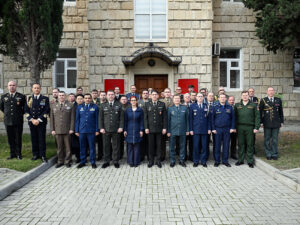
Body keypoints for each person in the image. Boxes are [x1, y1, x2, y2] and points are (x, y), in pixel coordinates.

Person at [0, 81, 25, 160]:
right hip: (8, 120)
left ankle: (18, 154)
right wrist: (8, 114)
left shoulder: (21, 96)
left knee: (18, 138)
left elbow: (24, 108)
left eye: (13, 85)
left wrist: (18, 114)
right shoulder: (4, 97)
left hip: (18, 120)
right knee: (10, 138)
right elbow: (2, 107)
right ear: (7, 87)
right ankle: (12, 153)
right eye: (10, 85)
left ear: (16, 86)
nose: (12, 87)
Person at [25, 83, 49, 162]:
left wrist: (38, 120)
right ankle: (35, 154)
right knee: (34, 138)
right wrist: (32, 120)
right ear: (32, 89)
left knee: (41, 139)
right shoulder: (29, 99)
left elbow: (46, 110)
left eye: (38, 88)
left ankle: (43, 155)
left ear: (40, 89)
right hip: (32, 122)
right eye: (35, 88)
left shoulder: (44, 98)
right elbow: (26, 110)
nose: (36, 89)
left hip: (41, 122)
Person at [235, 91, 260, 168]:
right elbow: (234, 117)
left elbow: (257, 117)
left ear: (249, 96)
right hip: (240, 127)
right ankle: (240, 160)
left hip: (250, 127)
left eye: (246, 95)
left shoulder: (253, 105)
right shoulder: (237, 105)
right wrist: (234, 127)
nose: (245, 97)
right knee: (241, 144)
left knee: (250, 144)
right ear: (241, 96)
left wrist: (256, 127)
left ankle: (250, 161)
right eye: (243, 95)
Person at [99, 90, 124, 168]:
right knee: (106, 146)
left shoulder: (119, 105)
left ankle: (115, 161)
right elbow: (100, 118)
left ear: (114, 95)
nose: (110, 96)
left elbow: (121, 118)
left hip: (116, 129)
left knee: (116, 146)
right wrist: (101, 128)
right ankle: (106, 161)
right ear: (106, 96)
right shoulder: (103, 105)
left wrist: (121, 127)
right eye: (109, 94)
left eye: (112, 94)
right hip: (105, 129)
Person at [50, 91, 75, 168]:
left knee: (68, 147)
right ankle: (60, 161)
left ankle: (68, 161)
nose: (61, 97)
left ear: (65, 96)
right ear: (57, 96)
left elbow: (72, 118)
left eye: (63, 95)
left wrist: (71, 129)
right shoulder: (53, 105)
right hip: (57, 130)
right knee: (59, 147)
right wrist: (52, 129)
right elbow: (52, 119)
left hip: (67, 129)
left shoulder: (70, 105)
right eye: (60, 95)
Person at [75, 93, 99, 169]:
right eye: (86, 98)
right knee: (82, 147)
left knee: (92, 147)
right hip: (82, 131)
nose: (87, 99)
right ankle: (83, 161)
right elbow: (77, 120)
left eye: (89, 98)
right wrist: (76, 130)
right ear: (83, 99)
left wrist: (97, 130)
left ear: (91, 99)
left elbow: (97, 120)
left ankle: (93, 162)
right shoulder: (79, 107)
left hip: (91, 131)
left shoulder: (95, 107)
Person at [259, 86, 284, 160]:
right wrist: (261, 122)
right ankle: (268, 153)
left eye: (272, 90)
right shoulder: (263, 100)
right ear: (267, 92)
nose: (271, 92)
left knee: (275, 139)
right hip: (266, 123)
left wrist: (281, 121)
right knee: (267, 139)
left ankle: (274, 153)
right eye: (269, 90)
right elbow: (260, 112)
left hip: (276, 123)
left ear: (274, 92)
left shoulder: (278, 100)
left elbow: (280, 112)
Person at [144, 90, 167, 168]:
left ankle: (158, 160)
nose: (154, 96)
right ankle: (151, 160)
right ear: (150, 96)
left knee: (159, 145)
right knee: (150, 145)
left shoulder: (162, 104)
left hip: (159, 129)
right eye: (153, 94)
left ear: (158, 96)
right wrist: (146, 127)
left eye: (155, 94)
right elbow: (145, 118)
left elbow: (164, 117)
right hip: (150, 129)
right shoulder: (147, 104)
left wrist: (164, 128)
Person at [212, 94, 235, 167]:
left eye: (224, 97)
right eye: (221, 97)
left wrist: (232, 128)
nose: (222, 99)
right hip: (217, 129)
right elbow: (212, 119)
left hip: (227, 129)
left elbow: (233, 119)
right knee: (217, 145)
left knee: (226, 145)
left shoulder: (230, 107)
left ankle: (225, 160)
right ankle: (217, 161)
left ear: (226, 99)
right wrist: (213, 129)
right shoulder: (214, 107)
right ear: (218, 98)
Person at [189, 93, 211, 167]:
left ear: (203, 97)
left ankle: (203, 161)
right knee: (196, 146)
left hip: (204, 130)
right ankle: (196, 161)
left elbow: (209, 119)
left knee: (204, 146)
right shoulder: (192, 106)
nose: (200, 98)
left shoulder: (206, 106)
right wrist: (191, 129)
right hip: (195, 130)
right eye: (198, 96)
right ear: (196, 97)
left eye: (201, 96)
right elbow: (191, 119)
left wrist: (209, 129)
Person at [167, 94, 189, 167]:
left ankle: (182, 160)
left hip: (182, 130)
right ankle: (172, 160)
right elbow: (168, 121)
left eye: (178, 98)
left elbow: (187, 120)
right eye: (175, 98)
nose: (177, 100)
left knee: (182, 146)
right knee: (172, 146)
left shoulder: (184, 108)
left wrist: (187, 130)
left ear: (180, 100)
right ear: (173, 100)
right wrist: (168, 131)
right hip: (173, 131)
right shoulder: (170, 109)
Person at [124, 96, 144, 167]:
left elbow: (142, 121)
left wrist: (141, 130)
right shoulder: (127, 110)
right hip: (129, 129)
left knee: (137, 146)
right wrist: (125, 130)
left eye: (134, 100)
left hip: (137, 129)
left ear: (136, 101)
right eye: (132, 100)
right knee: (130, 146)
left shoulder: (140, 110)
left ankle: (136, 161)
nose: (133, 101)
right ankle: (130, 161)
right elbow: (125, 121)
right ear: (130, 102)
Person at [160, 88, 174, 161]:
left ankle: (172, 156)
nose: (167, 93)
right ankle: (162, 156)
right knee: (162, 141)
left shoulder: (174, 101)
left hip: (172, 123)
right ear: (164, 94)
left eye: (168, 92)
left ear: (170, 93)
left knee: (172, 141)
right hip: (163, 123)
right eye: (166, 92)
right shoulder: (161, 101)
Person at [71, 94, 84, 163]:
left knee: (83, 144)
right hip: (75, 128)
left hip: (83, 128)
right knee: (76, 145)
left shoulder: (85, 106)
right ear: (76, 100)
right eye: (78, 99)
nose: (80, 100)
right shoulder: (73, 107)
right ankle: (78, 157)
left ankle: (83, 157)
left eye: (81, 99)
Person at [137, 90, 149, 161]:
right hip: (140, 124)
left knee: (148, 141)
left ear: (148, 94)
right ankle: (141, 155)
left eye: (146, 93)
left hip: (148, 124)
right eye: (144, 93)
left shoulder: (150, 102)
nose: (145, 94)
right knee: (141, 141)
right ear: (141, 94)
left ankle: (148, 155)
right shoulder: (138, 102)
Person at [206, 92, 216, 161]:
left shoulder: (216, 104)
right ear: (207, 97)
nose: (211, 97)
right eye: (209, 96)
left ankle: (215, 156)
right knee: (206, 142)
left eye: (212, 96)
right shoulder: (204, 104)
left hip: (215, 126)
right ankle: (206, 156)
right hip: (206, 126)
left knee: (216, 142)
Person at [183, 93, 193, 161]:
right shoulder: (181, 106)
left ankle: (191, 156)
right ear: (183, 98)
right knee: (183, 143)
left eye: (188, 97)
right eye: (186, 97)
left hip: (192, 127)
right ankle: (184, 156)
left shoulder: (193, 105)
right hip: (183, 128)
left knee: (192, 143)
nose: (187, 98)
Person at [120, 96, 130, 160]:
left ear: (127, 100)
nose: (124, 100)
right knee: (120, 142)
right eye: (122, 99)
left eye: (125, 99)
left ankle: (128, 155)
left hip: (128, 126)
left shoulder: (130, 106)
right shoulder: (118, 106)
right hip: (120, 127)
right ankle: (120, 154)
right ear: (120, 100)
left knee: (128, 142)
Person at [228, 96, 237, 160]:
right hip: (227, 128)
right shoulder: (226, 107)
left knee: (234, 142)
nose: (232, 101)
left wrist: (235, 127)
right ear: (228, 100)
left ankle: (233, 154)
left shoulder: (236, 107)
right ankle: (225, 153)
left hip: (234, 128)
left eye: (233, 100)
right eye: (230, 100)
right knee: (226, 142)